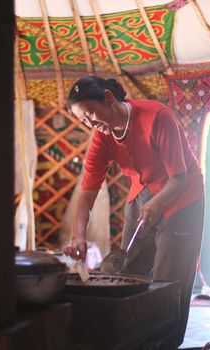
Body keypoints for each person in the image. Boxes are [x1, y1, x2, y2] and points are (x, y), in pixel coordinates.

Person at [63, 76, 205, 349]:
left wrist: (157, 204)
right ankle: (133, 340)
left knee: (169, 279)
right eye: (84, 121)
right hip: (141, 194)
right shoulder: (102, 138)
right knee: (129, 271)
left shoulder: (156, 117)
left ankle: (165, 342)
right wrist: (77, 236)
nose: (90, 124)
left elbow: (179, 177)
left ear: (108, 97)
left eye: (90, 113)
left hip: (183, 195)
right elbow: (87, 194)